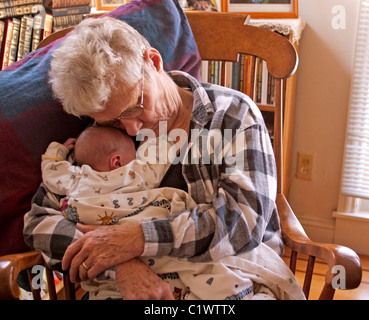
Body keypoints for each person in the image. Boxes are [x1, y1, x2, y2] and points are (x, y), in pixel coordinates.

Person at [24, 17, 305, 300]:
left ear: (154, 62)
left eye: (135, 107)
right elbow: (40, 221)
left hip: (232, 280)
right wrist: (120, 262)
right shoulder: (99, 136)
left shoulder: (233, 116)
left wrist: (139, 239)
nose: (132, 128)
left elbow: (242, 223)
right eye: (115, 119)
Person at [41, 126, 303, 300]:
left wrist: (58, 150)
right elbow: (160, 153)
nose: (134, 129)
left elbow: (52, 172)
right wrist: (163, 135)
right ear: (118, 162)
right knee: (208, 277)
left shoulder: (74, 182)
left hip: (134, 255)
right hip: (158, 249)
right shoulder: (134, 172)